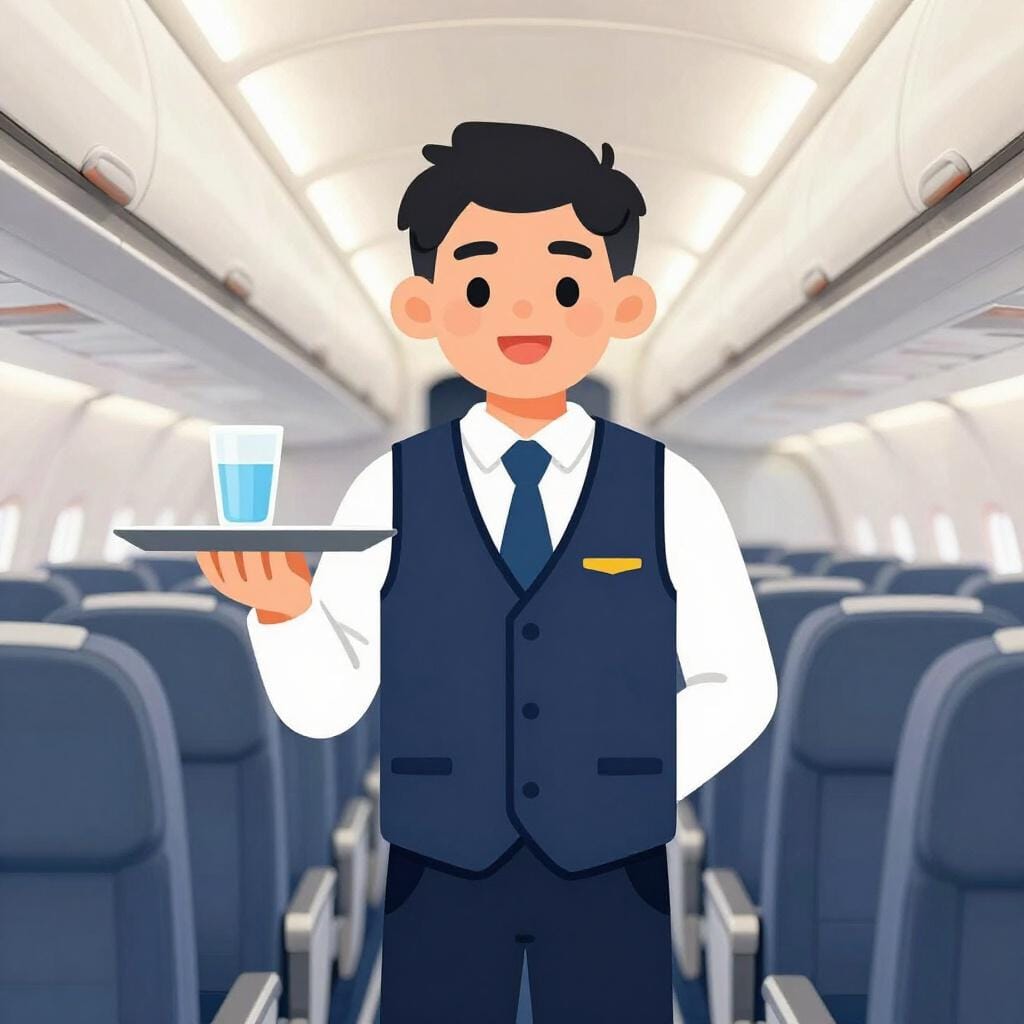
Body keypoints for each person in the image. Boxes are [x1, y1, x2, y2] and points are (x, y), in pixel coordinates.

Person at [197, 121, 777, 1023]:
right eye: (479, 281)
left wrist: (633, 785)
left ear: (622, 305)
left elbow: (741, 686)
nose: (521, 312)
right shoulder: (384, 488)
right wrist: (285, 614)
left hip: (612, 872)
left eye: (560, 280)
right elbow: (329, 704)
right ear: (424, 308)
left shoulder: (673, 490)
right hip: (441, 872)